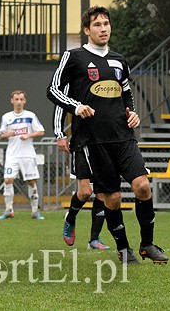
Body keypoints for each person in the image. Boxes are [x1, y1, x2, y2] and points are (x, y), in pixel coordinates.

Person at [47, 6, 167, 265]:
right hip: (93, 140)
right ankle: (124, 250)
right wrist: (76, 107)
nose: (103, 28)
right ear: (87, 30)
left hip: (123, 136)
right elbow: (53, 90)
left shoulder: (119, 59)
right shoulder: (74, 56)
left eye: (106, 23)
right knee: (111, 198)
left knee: (143, 187)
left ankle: (147, 244)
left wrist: (132, 113)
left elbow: (126, 92)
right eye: (97, 24)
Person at [55, 102, 111, 250]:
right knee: (86, 191)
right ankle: (70, 218)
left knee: (103, 193)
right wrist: (60, 135)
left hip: (105, 143)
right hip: (82, 143)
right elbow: (59, 104)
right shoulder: (76, 83)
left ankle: (94, 239)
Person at [0, 90, 45, 221]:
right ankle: (8, 210)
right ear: (12, 100)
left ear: (25, 101)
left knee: (31, 181)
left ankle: (35, 211)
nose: (18, 102)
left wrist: (28, 135)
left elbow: (41, 131)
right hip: (12, 155)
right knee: (8, 180)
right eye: (16, 99)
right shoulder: (6, 117)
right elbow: (1, 135)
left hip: (28, 155)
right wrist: (8, 134)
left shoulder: (30, 115)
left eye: (21, 99)